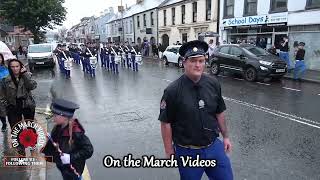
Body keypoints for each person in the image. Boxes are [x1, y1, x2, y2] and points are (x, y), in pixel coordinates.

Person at [158, 40, 233, 180]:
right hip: (188, 152)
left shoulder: (213, 83)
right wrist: (169, 151)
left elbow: (219, 112)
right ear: (184, 62)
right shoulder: (172, 91)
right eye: (193, 61)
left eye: (201, 60)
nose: (198, 65)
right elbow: (165, 122)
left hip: (214, 147)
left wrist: (226, 137)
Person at [41, 98, 93, 180]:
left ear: (64, 117)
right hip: (64, 168)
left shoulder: (76, 132)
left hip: (73, 170)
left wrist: (70, 157)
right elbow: (55, 145)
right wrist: (50, 141)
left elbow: (88, 150)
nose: (53, 118)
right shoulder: (58, 128)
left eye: (55, 115)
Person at [0, 58, 37, 154]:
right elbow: (2, 96)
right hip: (13, 106)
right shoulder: (5, 80)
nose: (15, 69)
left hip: (27, 105)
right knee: (16, 128)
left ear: (21, 67)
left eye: (17, 66)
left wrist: (24, 74)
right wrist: (6, 107)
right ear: (9, 68)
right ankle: (20, 146)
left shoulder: (27, 75)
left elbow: (32, 86)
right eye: (12, 67)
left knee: (30, 126)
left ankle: (32, 143)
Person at [0, 53, 9, 132]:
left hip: (8, 91)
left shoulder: (6, 67)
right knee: (1, 110)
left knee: (10, 108)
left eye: (0, 58)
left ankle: (12, 122)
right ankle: (4, 123)